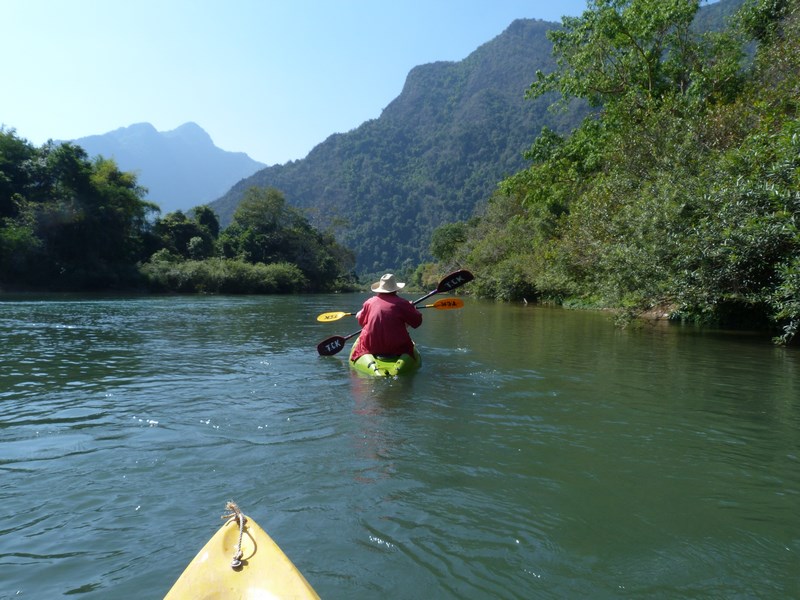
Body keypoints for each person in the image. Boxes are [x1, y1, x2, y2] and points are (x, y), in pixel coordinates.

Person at [350, 273, 423, 363]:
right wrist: (411, 308)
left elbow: (362, 323)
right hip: (398, 347)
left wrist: (359, 314)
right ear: (396, 290)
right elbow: (417, 322)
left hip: (371, 346)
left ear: (379, 290)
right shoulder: (403, 303)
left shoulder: (369, 303)